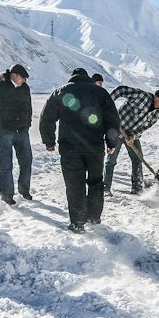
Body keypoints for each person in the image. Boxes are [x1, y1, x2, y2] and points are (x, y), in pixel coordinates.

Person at [39, 68, 121, 233]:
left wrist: (49, 141)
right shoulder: (100, 92)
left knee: (74, 184)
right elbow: (112, 119)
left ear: (72, 79)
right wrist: (111, 143)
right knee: (96, 182)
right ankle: (94, 217)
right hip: (94, 147)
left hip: (70, 148)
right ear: (88, 78)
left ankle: (77, 222)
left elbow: (46, 117)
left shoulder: (61, 92)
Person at [103, 85, 159, 196]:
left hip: (130, 135)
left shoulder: (156, 114)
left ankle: (137, 189)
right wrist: (108, 104)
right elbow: (121, 90)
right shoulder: (141, 96)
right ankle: (105, 188)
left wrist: (133, 137)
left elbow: (143, 128)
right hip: (117, 128)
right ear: (156, 97)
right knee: (111, 159)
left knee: (138, 159)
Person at [0, 63, 32, 204]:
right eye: (23, 77)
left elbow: (29, 107)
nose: (25, 80)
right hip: (5, 132)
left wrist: (27, 124)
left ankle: (24, 190)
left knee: (26, 161)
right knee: (6, 165)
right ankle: (7, 195)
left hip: (22, 131)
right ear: (14, 75)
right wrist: (2, 126)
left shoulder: (25, 88)